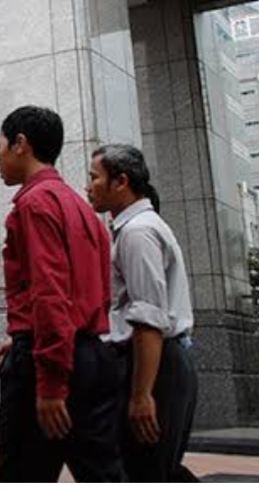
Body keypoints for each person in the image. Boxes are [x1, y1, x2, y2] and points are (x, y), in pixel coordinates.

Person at [0, 106, 125, 483]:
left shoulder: (34, 204)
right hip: (92, 356)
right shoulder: (81, 208)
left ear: (20, 144)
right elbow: (92, 293)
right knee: (103, 475)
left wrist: (49, 380)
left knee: (22, 475)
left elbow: (50, 293)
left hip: (48, 363)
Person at [87, 144, 198, 482]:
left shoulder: (138, 233)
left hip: (153, 365)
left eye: (94, 178)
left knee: (145, 472)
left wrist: (141, 394)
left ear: (121, 182)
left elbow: (148, 317)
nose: (88, 186)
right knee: (158, 471)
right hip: (154, 363)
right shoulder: (135, 228)